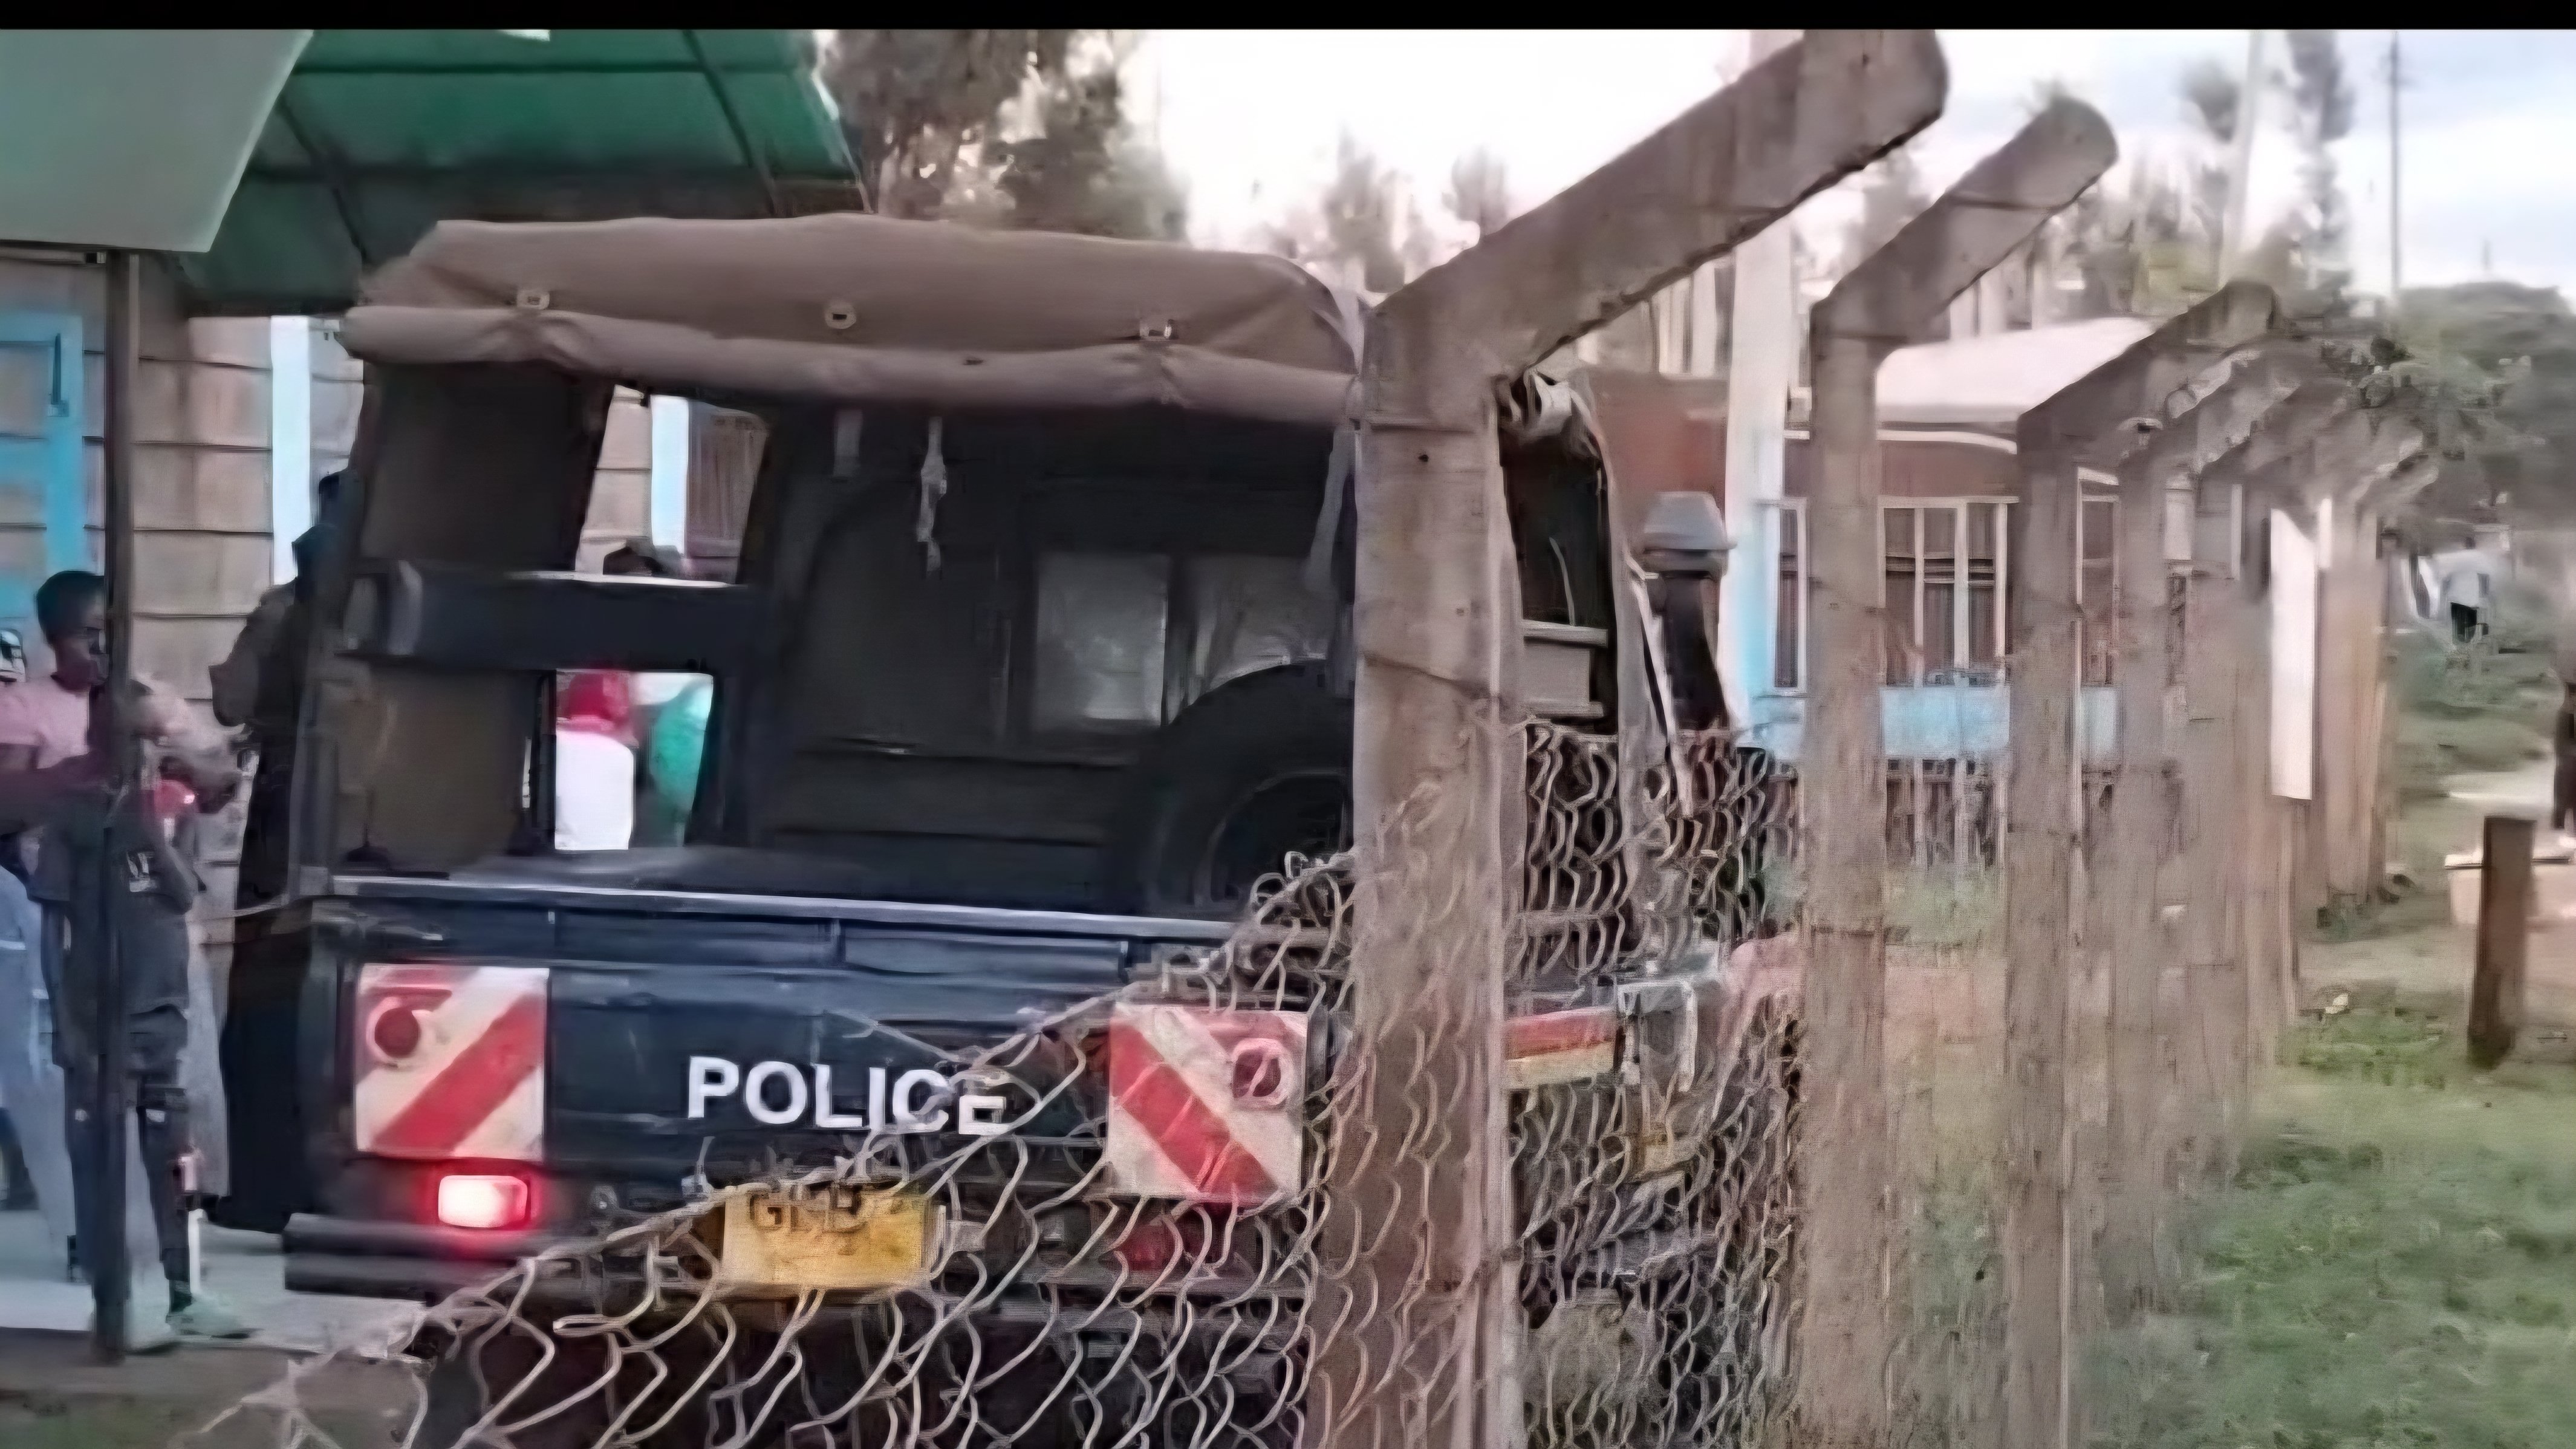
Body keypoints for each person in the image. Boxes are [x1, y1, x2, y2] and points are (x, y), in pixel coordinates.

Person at [0, 570, 249, 1347]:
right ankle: (109, 1273)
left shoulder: (149, 777)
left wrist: (164, 785)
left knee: (172, 1124)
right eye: (88, 635)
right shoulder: (67, 799)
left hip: (156, 970)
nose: (104, 648)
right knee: (97, 1121)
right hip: (90, 973)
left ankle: (183, 1282)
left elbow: (181, 878)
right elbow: (50, 903)